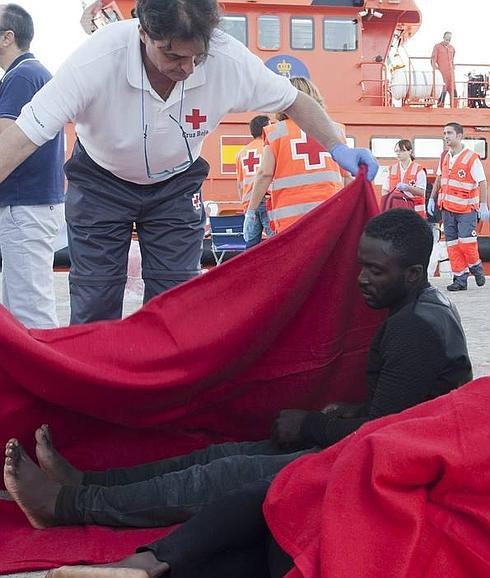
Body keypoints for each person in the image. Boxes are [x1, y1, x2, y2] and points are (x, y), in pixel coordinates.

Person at [4, 210, 473, 542]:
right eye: (361, 267)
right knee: (224, 453)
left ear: (413, 274)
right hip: (383, 450)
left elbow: (380, 436)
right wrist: (338, 414)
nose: (361, 280)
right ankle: (85, 484)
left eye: (375, 270)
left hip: (387, 473)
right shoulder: (419, 309)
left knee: (229, 472)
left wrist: (310, 425)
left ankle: (65, 507)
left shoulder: (413, 329)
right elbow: (405, 410)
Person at [0, 0, 378, 325]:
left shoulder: (227, 59)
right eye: (173, 55)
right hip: (101, 182)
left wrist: (336, 144)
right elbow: (22, 136)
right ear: (143, 33)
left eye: (197, 56)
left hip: (176, 185)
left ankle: (163, 398)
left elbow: (294, 101)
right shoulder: (96, 61)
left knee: (177, 302)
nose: (188, 69)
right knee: (95, 299)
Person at [0, 4, 65, 329]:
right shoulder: (34, 73)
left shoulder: (21, 76)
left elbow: (6, 143)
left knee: (31, 314)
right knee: (18, 314)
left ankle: (48, 380)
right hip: (30, 206)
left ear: (7, 37)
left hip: (23, 208)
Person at [244, 77, 347, 239]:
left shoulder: (275, 132)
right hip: (329, 211)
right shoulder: (336, 130)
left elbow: (265, 174)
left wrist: (251, 211)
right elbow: (346, 175)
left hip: (290, 218)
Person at [427, 122, 489, 291]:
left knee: (467, 243)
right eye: (444, 133)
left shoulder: (471, 158)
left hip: (466, 210)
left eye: (449, 133)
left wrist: (483, 205)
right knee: (452, 245)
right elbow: (439, 179)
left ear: (459, 136)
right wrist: (432, 198)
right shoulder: (445, 156)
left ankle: (476, 268)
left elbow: (482, 182)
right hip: (447, 209)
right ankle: (460, 279)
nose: (445, 136)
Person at [235, 115, 273, 248]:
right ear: (265, 129)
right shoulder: (270, 148)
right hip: (269, 202)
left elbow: (240, 184)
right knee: (276, 244)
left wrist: (247, 208)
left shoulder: (241, 153)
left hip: (249, 204)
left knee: (251, 247)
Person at [380, 139, 427, 217]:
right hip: (395, 211)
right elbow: (385, 189)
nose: (398, 153)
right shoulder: (392, 169)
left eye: (402, 151)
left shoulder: (418, 169)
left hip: (414, 212)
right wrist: (387, 203)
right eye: (397, 151)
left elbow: (421, 192)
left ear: (410, 151)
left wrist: (407, 188)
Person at [431, 31, 456, 107]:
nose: (448, 40)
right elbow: (433, 59)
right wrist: (436, 70)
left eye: (449, 38)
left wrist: (453, 67)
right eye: (447, 38)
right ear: (443, 37)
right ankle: (440, 106)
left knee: (454, 91)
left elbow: (452, 60)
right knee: (443, 90)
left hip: (451, 74)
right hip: (442, 74)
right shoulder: (437, 46)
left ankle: (455, 107)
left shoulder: (452, 48)